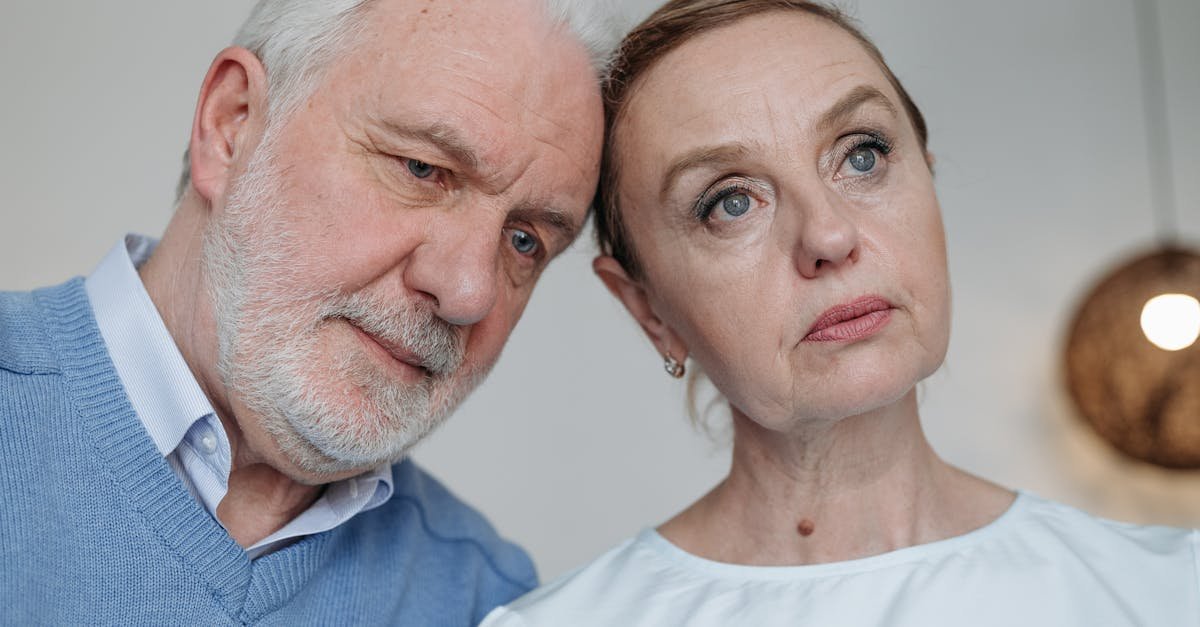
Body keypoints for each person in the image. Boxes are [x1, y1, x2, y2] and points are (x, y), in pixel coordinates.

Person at [482, 1, 1200, 625]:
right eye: (730, 201)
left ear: (929, 177)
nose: (828, 235)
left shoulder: (1172, 592)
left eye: (862, 155)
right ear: (648, 309)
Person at [0, 0, 619, 623]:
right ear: (232, 124)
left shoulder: (486, 598)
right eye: (422, 169)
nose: (467, 293)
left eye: (524, 241)